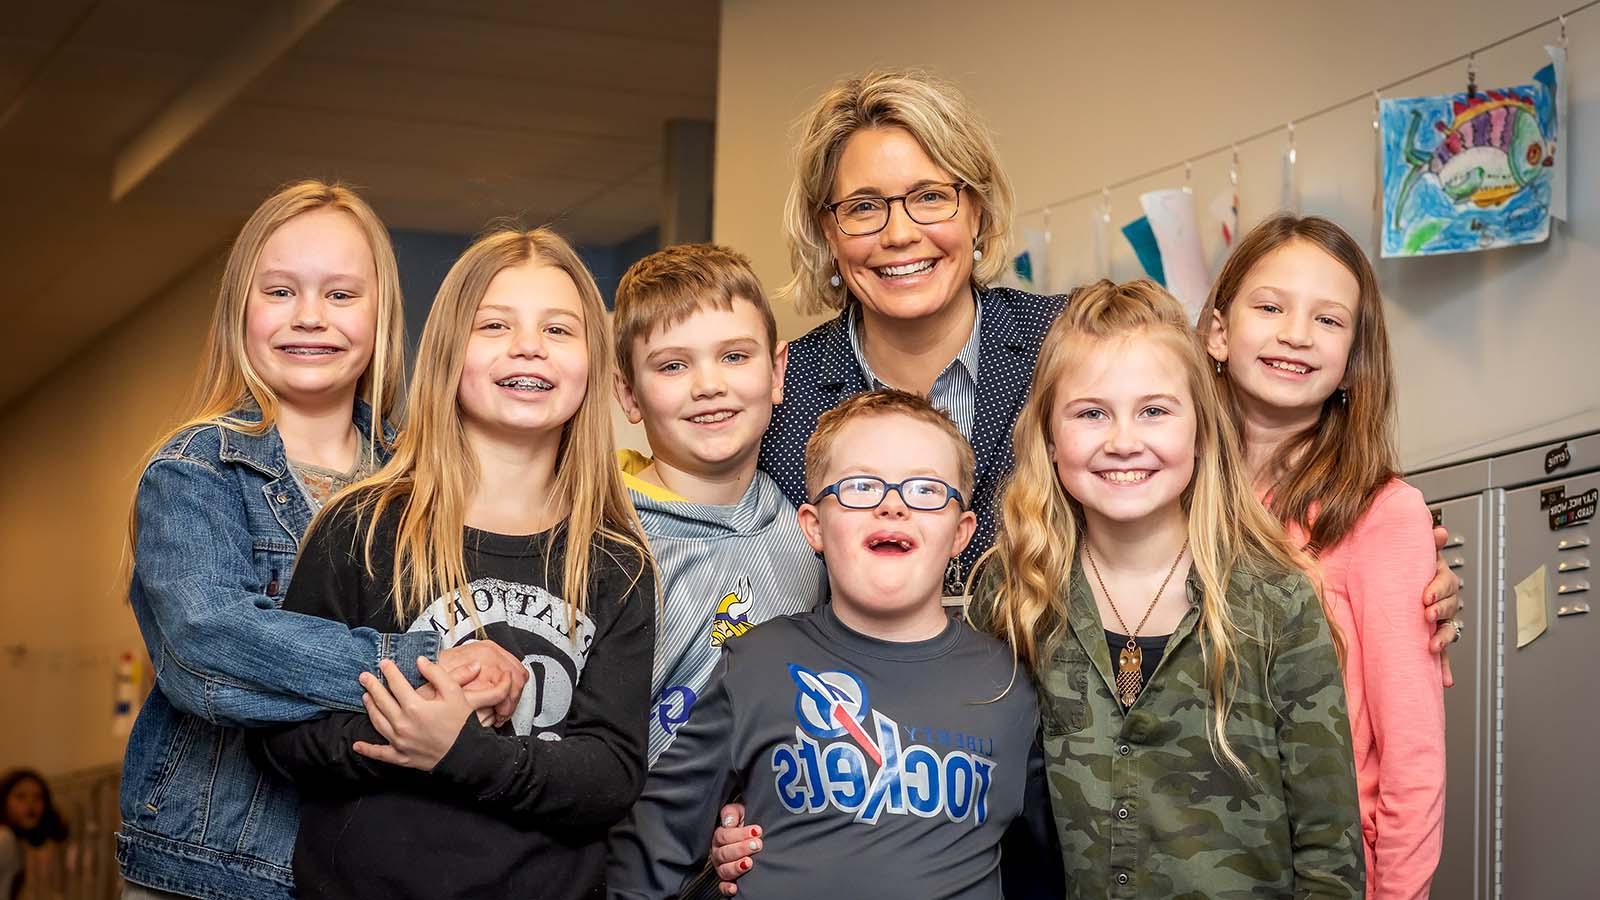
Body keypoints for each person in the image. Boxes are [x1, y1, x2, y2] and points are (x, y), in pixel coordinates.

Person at [118, 181, 525, 900]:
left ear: (381, 313)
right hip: (218, 870)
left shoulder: (430, 480)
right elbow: (207, 651)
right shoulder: (193, 472)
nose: (311, 318)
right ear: (239, 310)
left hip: (379, 866)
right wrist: (424, 670)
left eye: (341, 295)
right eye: (280, 292)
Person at [250, 226, 656, 900]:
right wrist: (409, 730)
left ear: (594, 367)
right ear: (447, 353)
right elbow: (283, 733)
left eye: (559, 330)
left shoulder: (618, 561)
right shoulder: (363, 526)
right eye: (494, 325)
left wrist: (460, 751)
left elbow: (610, 775)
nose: (528, 345)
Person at [608, 390, 1060, 900]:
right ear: (814, 527)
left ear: (961, 533)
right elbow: (653, 846)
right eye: (861, 486)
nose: (893, 506)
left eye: (926, 490)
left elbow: (1041, 867)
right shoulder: (756, 663)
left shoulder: (1008, 684)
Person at [1202, 214, 1444, 898]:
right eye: (1271, 306)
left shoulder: (1382, 511)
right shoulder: (1172, 501)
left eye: (1329, 320)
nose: (1297, 334)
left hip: (1328, 876)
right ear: (1218, 332)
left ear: (1352, 360)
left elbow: (1413, 756)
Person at [755, 68, 1064, 595]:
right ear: (828, 233)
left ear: (977, 211)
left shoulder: (1062, 343)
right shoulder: (781, 395)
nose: (899, 234)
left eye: (929, 197)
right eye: (864, 207)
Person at [611, 243, 827, 764]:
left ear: (777, 374)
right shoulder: (604, 532)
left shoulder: (805, 528)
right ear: (629, 394)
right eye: (672, 366)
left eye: (734, 356)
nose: (709, 385)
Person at [0, 769, 69, 900]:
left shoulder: (16, 841)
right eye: (20, 796)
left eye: (38, 797)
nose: (30, 804)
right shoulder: (5, 838)